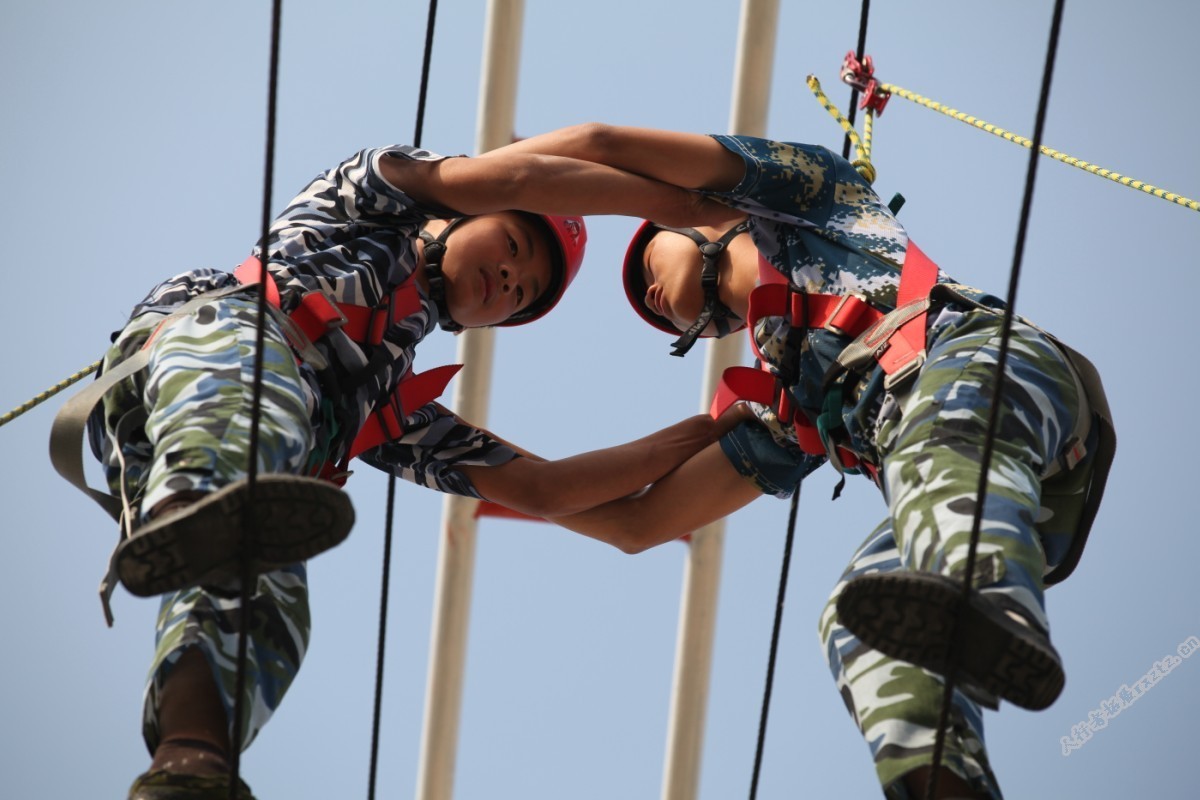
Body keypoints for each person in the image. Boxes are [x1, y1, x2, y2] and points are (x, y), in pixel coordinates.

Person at [53, 141, 747, 799]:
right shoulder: (366, 203)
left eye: (521, 292)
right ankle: (196, 505)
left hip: (236, 452)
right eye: (511, 247)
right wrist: (689, 208)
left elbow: (549, 490)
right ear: (457, 215)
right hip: (214, 350)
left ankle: (191, 760)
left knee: (271, 605)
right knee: (256, 417)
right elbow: (505, 179)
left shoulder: (388, 405)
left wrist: (704, 433)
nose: (508, 277)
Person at [492, 123, 1115, 799]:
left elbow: (604, 144)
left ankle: (986, 592)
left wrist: (452, 188)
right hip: (1007, 502)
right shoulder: (786, 405)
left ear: (709, 220)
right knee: (856, 619)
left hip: (994, 379)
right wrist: (449, 453)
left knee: (938, 440)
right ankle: (940, 777)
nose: (650, 298)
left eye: (648, 264)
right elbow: (639, 524)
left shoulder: (813, 200)